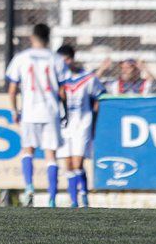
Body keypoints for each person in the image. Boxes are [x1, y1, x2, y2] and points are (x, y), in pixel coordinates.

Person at [5, 24, 67, 208]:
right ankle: (52, 197)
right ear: (48, 38)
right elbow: (63, 90)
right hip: (50, 111)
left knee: (27, 150)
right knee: (51, 155)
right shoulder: (56, 59)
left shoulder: (21, 58)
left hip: (30, 111)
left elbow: (12, 88)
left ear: (32, 37)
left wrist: (14, 110)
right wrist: (65, 111)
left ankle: (29, 187)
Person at [56, 45, 105, 208]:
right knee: (67, 164)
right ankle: (74, 200)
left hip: (82, 124)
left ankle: (83, 195)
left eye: (64, 60)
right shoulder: (58, 79)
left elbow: (99, 96)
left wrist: (93, 118)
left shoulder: (88, 78)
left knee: (78, 163)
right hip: (64, 124)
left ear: (70, 59)